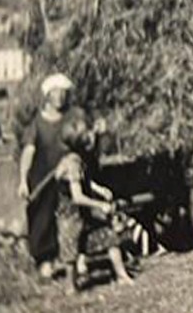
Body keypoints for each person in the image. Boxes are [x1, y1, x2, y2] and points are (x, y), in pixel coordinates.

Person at [55, 116, 133, 291]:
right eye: (86, 137)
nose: (90, 139)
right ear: (79, 142)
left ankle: (122, 275)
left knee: (108, 236)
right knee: (71, 252)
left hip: (83, 214)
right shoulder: (72, 164)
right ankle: (70, 286)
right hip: (70, 216)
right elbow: (77, 197)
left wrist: (98, 189)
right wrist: (100, 205)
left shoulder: (77, 159)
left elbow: (84, 182)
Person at [18, 73, 78, 279]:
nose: (60, 97)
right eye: (56, 93)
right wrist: (23, 180)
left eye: (64, 93)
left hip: (67, 177)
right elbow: (28, 151)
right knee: (42, 217)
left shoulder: (72, 118)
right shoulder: (37, 124)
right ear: (48, 96)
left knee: (72, 216)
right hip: (42, 178)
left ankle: (74, 257)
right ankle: (45, 260)